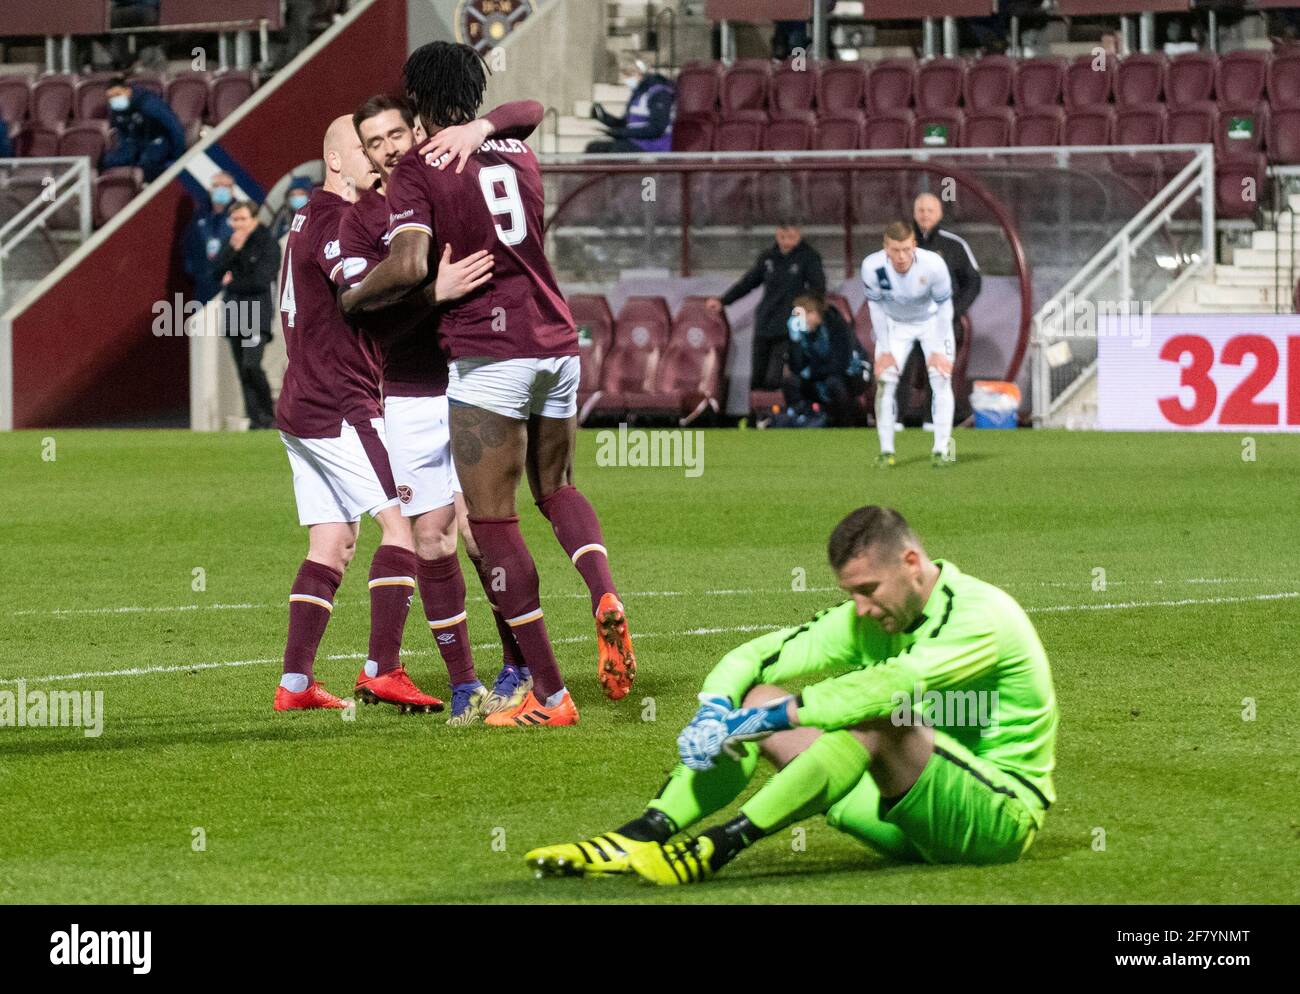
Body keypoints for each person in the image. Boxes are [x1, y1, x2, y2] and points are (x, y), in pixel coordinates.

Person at [340, 41, 637, 727]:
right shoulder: (515, 149)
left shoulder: (421, 168)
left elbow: (410, 261)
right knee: (557, 487)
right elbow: (530, 110)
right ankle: (602, 593)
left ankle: (553, 696)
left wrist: (356, 297)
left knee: (494, 523)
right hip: (558, 345)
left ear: (415, 99)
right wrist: (483, 125)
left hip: (489, 356)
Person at [524, 505, 1056, 884]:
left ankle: (718, 846)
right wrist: (717, 710)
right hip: (900, 816)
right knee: (752, 697)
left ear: (911, 563)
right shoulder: (868, 617)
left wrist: (762, 724)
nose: (862, 608)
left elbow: (883, 688)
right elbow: (756, 656)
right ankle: (643, 832)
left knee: (879, 716)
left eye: (868, 591)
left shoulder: (981, 615)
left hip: (995, 820)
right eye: (851, 594)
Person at [271, 115, 489, 712]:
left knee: (334, 541)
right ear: (336, 161)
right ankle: (382, 668)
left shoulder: (302, 217)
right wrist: (431, 290)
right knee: (403, 527)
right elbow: (363, 296)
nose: (377, 157)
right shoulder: (334, 221)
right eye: (363, 149)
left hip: (301, 401)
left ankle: (294, 685)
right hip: (341, 402)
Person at [344, 93, 543, 724]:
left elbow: (529, 110)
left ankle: (519, 666)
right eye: (374, 142)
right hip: (406, 395)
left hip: (473, 377)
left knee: (486, 534)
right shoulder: (358, 225)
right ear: (363, 153)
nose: (390, 148)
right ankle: (464, 684)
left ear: (417, 129)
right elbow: (367, 323)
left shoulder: (447, 183)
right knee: (432, 540)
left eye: (397, 133)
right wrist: (436, 291)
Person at [863, 221, 955, 468]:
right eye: (895, 250)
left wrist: (937, 349)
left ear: (914, 245)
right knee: (885, 381)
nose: (901, 257)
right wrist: (883, 349)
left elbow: (946, 307)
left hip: (932, 321)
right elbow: (876, 307)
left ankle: (941, 448)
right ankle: (886, 451)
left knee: (941, 377)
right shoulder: (872, 267)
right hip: (895, 325)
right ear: (886, 248)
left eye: (905, 249)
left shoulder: (934, 265)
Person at [707, 223, 825, 391]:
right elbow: (748, 282)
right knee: (757, 378)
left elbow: (818, 289)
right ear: (777, 235)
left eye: (791, 237)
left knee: (774, 378)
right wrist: (724, 300)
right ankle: (755, 415)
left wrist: (810, 313)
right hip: (765, 322)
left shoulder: (809, 258)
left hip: (790, 325)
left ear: (799, 235)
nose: (786, 242)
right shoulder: (769, 257)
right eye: (782, 237)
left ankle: (773, 414)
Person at [906, 192, 981, 424]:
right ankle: (895, 420)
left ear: (939, 214)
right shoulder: (902, 242)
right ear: (914, 213)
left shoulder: (954, 245)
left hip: (941, 324)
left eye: (930, 210)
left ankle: (932, 421)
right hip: (908, 321)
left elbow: (973, 282)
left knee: (937, 371)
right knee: (901, 368)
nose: (925, 215)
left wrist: (953, 312)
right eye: (921, 210)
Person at [212, 201, 280, 430]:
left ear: (254, 219)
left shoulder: (267, 243)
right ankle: (255, 419)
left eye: (242, 219)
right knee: (242, 369)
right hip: (234, 311)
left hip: (256, 314)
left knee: (252, 364)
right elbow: (215, 273)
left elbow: (261, 280)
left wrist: (233, 283)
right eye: (234, 220)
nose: (238, 224)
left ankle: (268, 414)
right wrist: (233, 251)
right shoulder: (230, 243)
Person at [781, 294, 866, 428]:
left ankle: (846, 425)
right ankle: (802, 420)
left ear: (813, 313)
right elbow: (796, 366)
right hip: (817, 376)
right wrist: (795, 340)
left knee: (834, 383)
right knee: (791, 381)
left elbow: (840, 364)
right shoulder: (802, 332)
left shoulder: (837, 326)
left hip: (849, 377)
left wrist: (811, 372)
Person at [100, 77, 186, 183]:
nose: (114, 100)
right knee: (108, 161)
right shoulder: (116, 110)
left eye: (117, 95)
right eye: (110, 97)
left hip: (157, 141)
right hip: (135, 144)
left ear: (128, 91)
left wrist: (179, 156)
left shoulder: (149, 103)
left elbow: (174, 127)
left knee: (147, 161)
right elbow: (122, 132)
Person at [585, 55, 675, 153]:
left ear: (640, 74)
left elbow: (656, 129)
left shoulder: (659, 93)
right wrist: (604, 118)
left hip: (653, 145)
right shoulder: (638, 93)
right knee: (594, 148)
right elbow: (626, 123)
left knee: (617, 150)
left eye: (629, 75)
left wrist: (623, 133)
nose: (625, 79)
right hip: (635, 141)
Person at [183, 172, 236, 304]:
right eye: (217, 185)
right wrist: (195, 271)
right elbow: (188, 246)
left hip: (233, 287)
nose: (221, 190)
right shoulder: (199, 217)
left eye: (226, 186)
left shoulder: (241, 215)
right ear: (210, 189)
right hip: (204, 286)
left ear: (232, 190)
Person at [272, 175, 314, 239]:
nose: (297, 197)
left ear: (308, 195)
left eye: (301, 194)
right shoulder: (284, 214)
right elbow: (273, 236)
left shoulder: (316, 212)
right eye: (293, 195)